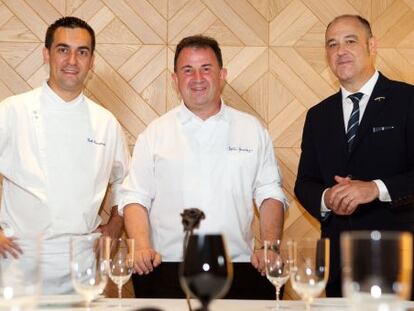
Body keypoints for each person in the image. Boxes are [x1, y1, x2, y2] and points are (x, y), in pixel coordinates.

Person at [120, 35, 287, 299]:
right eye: (188, 70)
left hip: (239, 268)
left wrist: (270, 247)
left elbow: (270, 194)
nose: (197, 78)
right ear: (175, 80)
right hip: (167, 268)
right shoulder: (155, 133)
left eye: (206, 69)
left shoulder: (251, 129)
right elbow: (134, 197)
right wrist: (140, 247)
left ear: (222, 75)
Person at [0, 16, 130, 294]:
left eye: (82, 52)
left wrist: (115, 226)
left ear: (92, 61)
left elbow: (125, 183)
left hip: (82, 260)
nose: (72, 60)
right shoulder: (12, 110)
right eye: (63, 49)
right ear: (46, 54)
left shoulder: (106, 122)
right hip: (18, 258)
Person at [294, 14, 414, 297]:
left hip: (400, 263)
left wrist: (376, 188)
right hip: (338, 267)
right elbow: (304, 182)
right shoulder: (318, 115)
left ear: (372, 45)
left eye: (350, 41)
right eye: (332, 44)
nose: (340, 51)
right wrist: (327, 198)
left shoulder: (408, 101)